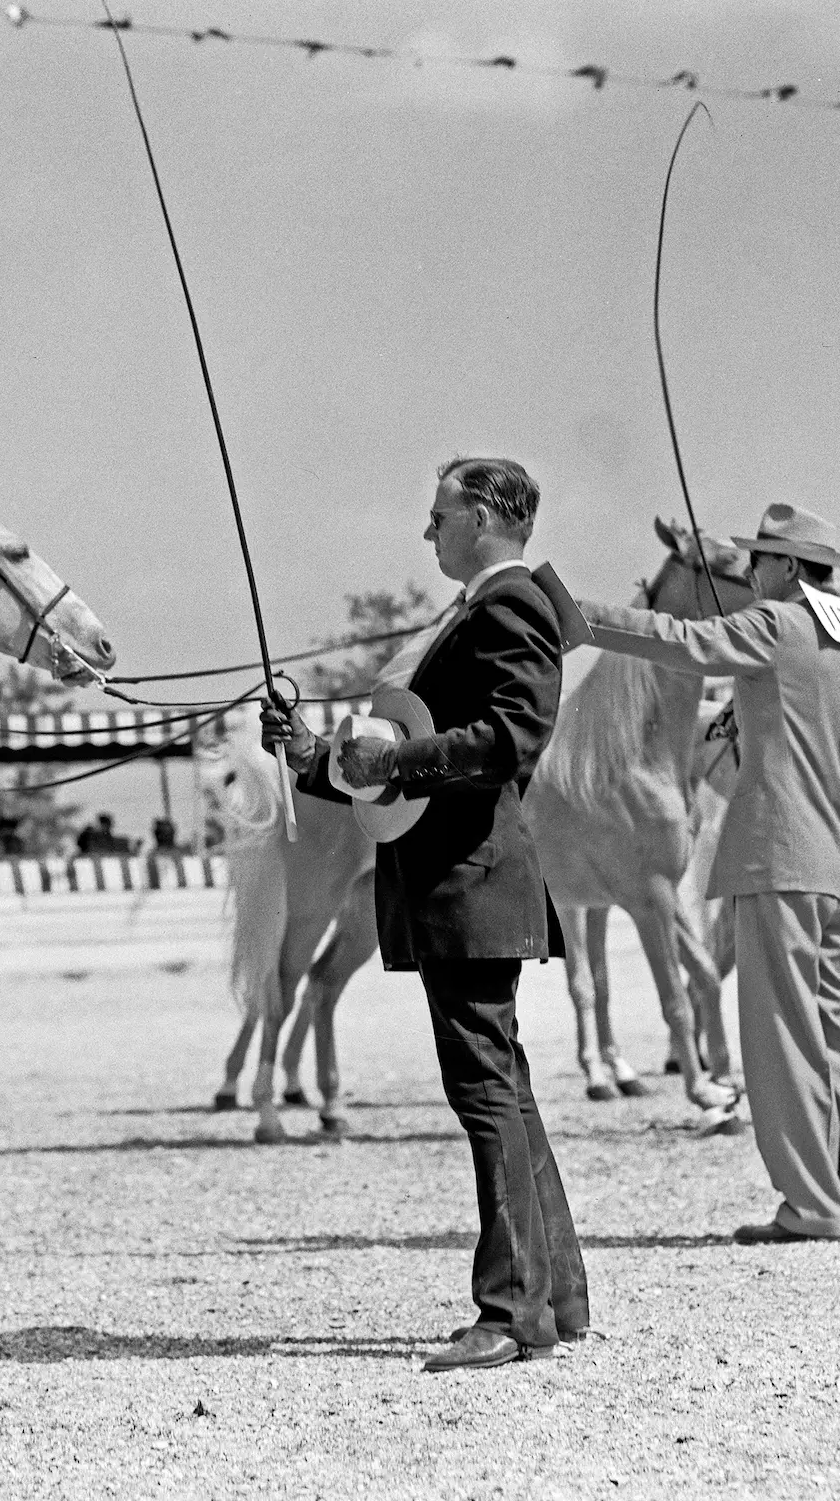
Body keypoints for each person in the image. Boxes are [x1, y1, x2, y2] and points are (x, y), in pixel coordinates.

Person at [261, 455, 587, 1373]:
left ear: (483, 514)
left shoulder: (507, 604)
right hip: (459, 882)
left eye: (438, 513)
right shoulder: (476, 611)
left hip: (470, 881)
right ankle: (553, 1300)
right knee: (503, 1090)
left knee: (486, 1092)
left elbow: (511, 736)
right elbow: (399, 755)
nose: (427, 529)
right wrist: (308, 754)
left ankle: (510, 1313)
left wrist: (390, 765)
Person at [575, 502, 840, 1245]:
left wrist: (575, 613)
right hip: (831, 860)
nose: (751, 575)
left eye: (759, 562)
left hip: (775, 857)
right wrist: (755, 707)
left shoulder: (776, 625)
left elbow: (684, 638)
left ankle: (811, 1205)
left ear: (788, 568)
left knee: (779, 1038)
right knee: (834, 1032)